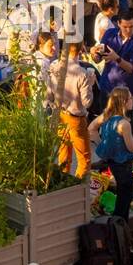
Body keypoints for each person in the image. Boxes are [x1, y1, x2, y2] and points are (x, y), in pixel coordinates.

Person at [89, 88, 133, 220]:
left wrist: (103, 144)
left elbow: (91, 128)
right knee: (123, 203)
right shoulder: (124, 124)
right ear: (124, 101)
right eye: (131, 98)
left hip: (113, 162)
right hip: (123, 166)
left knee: (121, 198)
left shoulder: (106, 116)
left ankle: (118, 230)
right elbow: (132, 148)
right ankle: (118, 231)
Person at [48, 41, 95, 177]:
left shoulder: (55, 67)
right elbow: (87, 102)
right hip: (76, 118)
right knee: (84, 160)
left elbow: (49, 94)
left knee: (64, 156)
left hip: (60, 115)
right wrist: (91, 84)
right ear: (81, 49)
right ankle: (78, 190)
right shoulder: (82, 73)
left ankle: (64, 186)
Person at [93, 11, 133, 110]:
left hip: (126, 93)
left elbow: (132, 69)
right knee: (104, 122)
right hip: (107, 87)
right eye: (125, 27)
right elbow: (98, 58)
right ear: (118, 24)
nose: (128, 30)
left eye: (131, 26)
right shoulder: (110, 34)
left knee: (123, 124)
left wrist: (116, 58)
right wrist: (94, 54)